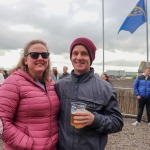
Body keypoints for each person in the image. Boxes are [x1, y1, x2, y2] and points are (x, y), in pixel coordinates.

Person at [55, 37, 123, 150]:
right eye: (75, 53)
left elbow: (117, 122)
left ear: (91, 58)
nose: (79, 57)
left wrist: (95, 120)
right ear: (71, 57)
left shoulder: (105, 88)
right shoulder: (59, 86)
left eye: (84, 54)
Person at [0, 40, 60, 150]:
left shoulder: (51, 84)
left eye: (45, 55)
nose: (40, 58)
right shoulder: (13, 82)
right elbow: (2, 124)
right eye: (34, 55)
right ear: (25, 60)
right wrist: (29, 144)